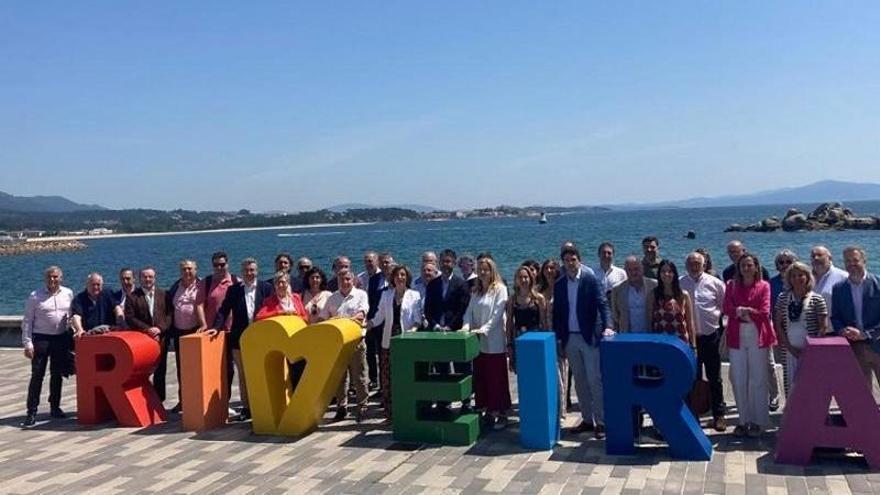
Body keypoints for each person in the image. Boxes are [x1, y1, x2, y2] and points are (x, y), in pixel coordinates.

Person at [553, 246, 613, 439]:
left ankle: (602, 422)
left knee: (595, 380)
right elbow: (558, 314)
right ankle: (587, 420)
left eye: (573, 260)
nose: (570, 264)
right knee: (580, 381)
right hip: (570, 338)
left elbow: (603, 304)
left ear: (579, 260)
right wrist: (559, 338)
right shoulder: (560, 283)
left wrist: (608, 326)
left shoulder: (590, 279)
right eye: (566, 260)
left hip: (589, 337)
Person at [211, 258, 272, 420]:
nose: (249, 273)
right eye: (246, 270)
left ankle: (263, 405)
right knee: (244, 375)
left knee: (262, 372)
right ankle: (247, 408)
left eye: (252, 270)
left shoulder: (267, 288)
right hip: (239, 339)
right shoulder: (234, 290)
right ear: (241, 272)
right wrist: (215, 328)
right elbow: (223, 311)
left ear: (257, 270)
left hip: (262, 339)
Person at [723, 254, 776, 438]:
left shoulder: (764, 286)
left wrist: (744, 311)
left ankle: (758, 421)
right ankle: (743, 420)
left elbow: (764, 311)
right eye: (743, 265)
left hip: (757, 334)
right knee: (738, 378)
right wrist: (741, 311)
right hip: (737, 334)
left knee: (758, 378)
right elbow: (727, 309)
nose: (746, 268)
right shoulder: (731, 285)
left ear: (756, 267)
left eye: (749, 265)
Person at [21, 266, 74, 427]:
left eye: (56, 277)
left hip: (60, 338)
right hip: (41, 339)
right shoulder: (35, 296)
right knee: (37, 375)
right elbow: (27, 321)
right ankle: (31, 412)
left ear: (61, 278)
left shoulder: (68, 293)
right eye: (50, 277)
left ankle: (55, 407)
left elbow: (72, 315)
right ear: (45, 279)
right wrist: (27, 343)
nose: (52, 280)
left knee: (57, 374)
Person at [679, 252, 727, 431]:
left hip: (711, 337)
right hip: (689, 340)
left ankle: (719, 415)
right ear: (686, 265)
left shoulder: (715, 283)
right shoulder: (680, 282)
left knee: (715, 377)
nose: (694, 265)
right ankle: (694, 416)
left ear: (704, 264)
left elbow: (724, 308)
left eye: (697, 262)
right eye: (690, 262)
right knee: (692, 378)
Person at [367, 265, 422, 419]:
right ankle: (390, 413)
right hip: (389, 341)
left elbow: (418, 320)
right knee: (388, 378)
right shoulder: (386, 295)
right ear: (392, 278)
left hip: (406, 341)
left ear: (407, 277)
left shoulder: (414, 295)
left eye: (403, 275)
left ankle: (407, 412)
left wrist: (413, 331)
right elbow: (379, 317)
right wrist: (368, 324)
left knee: (406, 377)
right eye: (397, 275)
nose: (400, 278)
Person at [463, 257, 511, 430]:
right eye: (480, 269)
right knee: (482, 377)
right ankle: (486, 411)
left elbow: (497, 314)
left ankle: (501, 412)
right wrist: (465, 327)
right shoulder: (476, 291)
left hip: (495, 341)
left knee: (496, 378)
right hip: (478, 342)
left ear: (492, 271)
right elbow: (468, 312)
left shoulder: (500, 289)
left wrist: (484, 329)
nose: (483, 272)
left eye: (486, 269)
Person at [156, 259, 207, 412]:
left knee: (198, 368)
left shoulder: (202, 286)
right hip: (179, 333)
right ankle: (183, 400)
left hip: (196, 332)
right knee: (181, 369)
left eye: (190, 269)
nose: (187, 272)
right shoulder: (174, 288)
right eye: (184, 269)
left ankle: (200, 400)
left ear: (196, 270)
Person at [424, 249, 472, 412]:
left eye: (449, 261)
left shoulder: (461, 284)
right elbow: (428, 310)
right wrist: (436, 325)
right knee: (441, 368)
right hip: (437, 332)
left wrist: (450, 326)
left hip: (455, 331)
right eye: (443, 261)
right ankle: (444, 401)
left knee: (461, 368)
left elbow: (463, 308)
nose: (446, 265)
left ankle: (466, 401)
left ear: (454, 263)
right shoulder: (432, 284)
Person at [319, 269, 370, 421]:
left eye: (348, 279)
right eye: (342, 279)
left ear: (353, 279)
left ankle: (363, 406)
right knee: (339, 377)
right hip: (337, 344)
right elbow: (323, 317)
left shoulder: (361, 294)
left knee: (359, 376)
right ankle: (342, 406)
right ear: (338, 281)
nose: (345, 282)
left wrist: (342, 323)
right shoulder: (332, 298)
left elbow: (361, 314)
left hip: (356, 342)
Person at [772, 261, 827, 396]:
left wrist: (811, 348)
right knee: (792, 387)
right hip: (789, 350)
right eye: (794, 276)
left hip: (811, 351)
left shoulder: (817, 299)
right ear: (789, 278)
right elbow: (778, 324)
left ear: (807, 277)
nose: (797, 279)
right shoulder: (783, 298)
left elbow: (823, 326)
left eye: (801, 275)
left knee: (812, 385)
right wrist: (789, 347)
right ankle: (793, 416)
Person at [831, 246, 880, 390]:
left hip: (877, 344)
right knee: (863, 395)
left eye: (855, 260)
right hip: (855, 349)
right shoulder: (839, 288)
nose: (851, 264)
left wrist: (866, 334)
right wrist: (843, 331)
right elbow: (836, 317)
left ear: (864, 261)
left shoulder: (878, 283)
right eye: (847, 261)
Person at [506, 266, 548, 370]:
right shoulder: (512, 299)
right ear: (516, 280)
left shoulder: (539, 298)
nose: (523, 280)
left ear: (531, 278)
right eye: (520, 277)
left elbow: (544, 323)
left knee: (537, 370)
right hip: (519, 339)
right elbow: (509, 323)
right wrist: (509, 344)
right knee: (523, 371)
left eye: (526, 277)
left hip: (536, 337)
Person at [648, 260, 697, 348]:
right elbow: (649, 321)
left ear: (674, 274)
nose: (666, 274)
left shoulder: (683, 295)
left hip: (681, 342)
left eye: (670, 271)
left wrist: (693, 345)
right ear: (659, 274)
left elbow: (690, 322)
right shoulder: (654, 294)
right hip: (660, 342)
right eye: (663, 271)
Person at [359, 251, 388, 392]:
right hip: (367, 320)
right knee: (369, 352)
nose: (369, 263)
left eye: (371, 260)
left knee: (382, 352)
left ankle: (384, 383)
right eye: (366, 261)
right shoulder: (360, 278)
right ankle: (373, 380)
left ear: (377, 261)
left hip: (382, 320)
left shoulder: (384, 277)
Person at [610, 256, 657, 333]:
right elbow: (615, 315)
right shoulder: (617, 289)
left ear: (642, 269)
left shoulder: (654, 285)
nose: (633, 273)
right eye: (629, 270)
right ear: (625, 271)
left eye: (636, 269)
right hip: (627, 337)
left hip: (650, 335)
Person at [125, 267, 170, 341]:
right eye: (145, 277)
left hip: (162, 337)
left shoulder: (165, 294)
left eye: (150, 277)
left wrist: (160, 328)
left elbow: (169, 314)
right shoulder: (131, 297)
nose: (147, 279)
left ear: (155, 279)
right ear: (140, 279)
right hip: (142, 338)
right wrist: (148, 329)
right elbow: (130, 318)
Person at [202, 251, 240, 335]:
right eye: (216, 265)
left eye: (222, 264)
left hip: (232, 329)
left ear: (227, 264)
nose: (219, 267)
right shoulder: (206, 282)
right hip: (212, 330)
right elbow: (199, 305)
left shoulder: (236, 281)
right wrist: (203, 324)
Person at [811, 245, 848, 317]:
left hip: (834, 326)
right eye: (813, 256)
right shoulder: (806, 278)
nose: (816, 258)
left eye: (819, 255)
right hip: (810, 326)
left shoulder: (843, 277)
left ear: (830, 258)